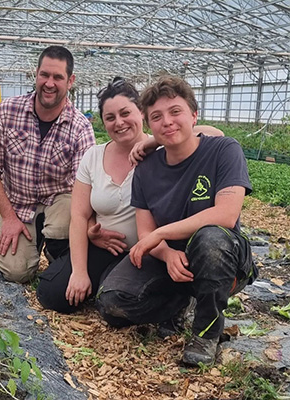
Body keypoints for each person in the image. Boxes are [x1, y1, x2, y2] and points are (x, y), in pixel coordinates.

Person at [97, 75, 258, 367]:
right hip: (169, 260)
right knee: (112, 302)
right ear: (149, 125)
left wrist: (162, 233)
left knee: (210, 239)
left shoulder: (224, 150)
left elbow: (226, 214)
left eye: (175, 112)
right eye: (156, 116)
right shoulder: (146, 170)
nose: (167, 122)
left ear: (194, 115)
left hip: (220, 257)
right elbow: (146, 231)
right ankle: (182, 303)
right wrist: (167, 251)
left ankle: (206, 334)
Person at [36, 77, 225, 314]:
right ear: (103, 122)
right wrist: (80, 270)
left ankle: (176, 302)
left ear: (142, 114)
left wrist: (153, 142)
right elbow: (79, 214)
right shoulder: (93, 156)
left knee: (112, 301)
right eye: (110, 118)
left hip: (148, 251)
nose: (119, 123)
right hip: (105, 248)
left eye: (126, 113)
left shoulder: (164, 148)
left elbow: (215, 133)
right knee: (52, 294)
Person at [0, 46, 95, 283]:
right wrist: (9, 217)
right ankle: (24, 237)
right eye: (45, 75)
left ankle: (56, 249)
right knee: (15, 273)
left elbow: (86, 187)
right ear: (36, 74)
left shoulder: (80, 127)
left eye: (58, 77)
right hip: (18, 205)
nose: (49, 83)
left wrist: (91, 227)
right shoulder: (6, 112)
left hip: (58, 202)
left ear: (70, 81)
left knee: (64, 222)